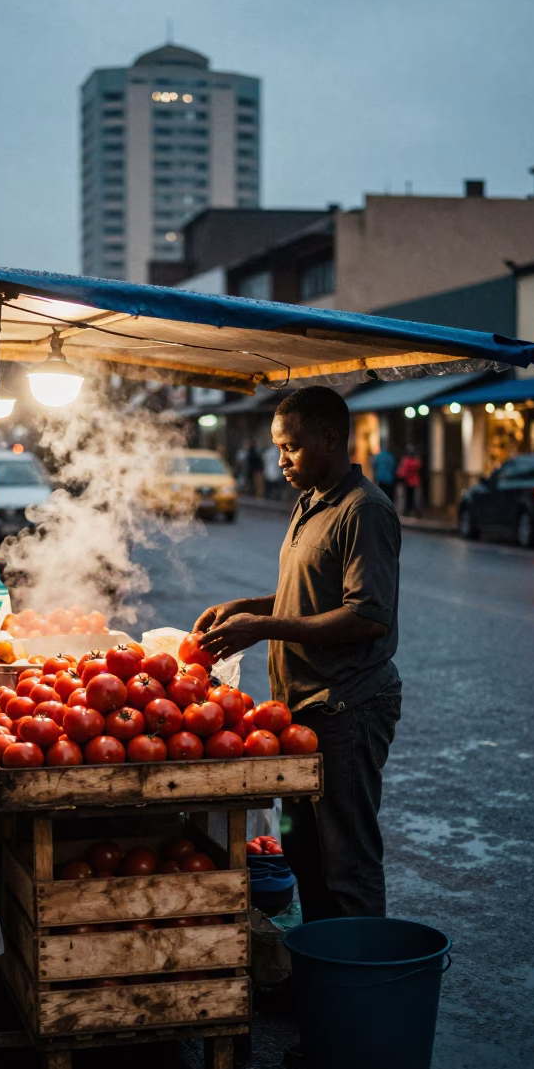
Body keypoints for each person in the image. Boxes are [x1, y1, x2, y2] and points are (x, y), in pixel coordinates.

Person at [194, 385, 401, 922]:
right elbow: (304, 591)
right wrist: (246, 605)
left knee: (346, 858)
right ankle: (320, 969)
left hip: (347, 708)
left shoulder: (365, 512)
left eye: (290, 447)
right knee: (304, 853)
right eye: (277, 447)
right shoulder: (310, 501)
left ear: (330, 440)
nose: (279, 459)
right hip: (301, 711)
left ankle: (358, 987)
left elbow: (366, 616)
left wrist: (263, 626)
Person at [396, 447, 422, 516]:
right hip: (414, 482)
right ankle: (415, 511)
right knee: (414, 497)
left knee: (409, 497)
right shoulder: (415, 461)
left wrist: (401, 477)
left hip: (408, 482)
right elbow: (418, 466)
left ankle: (408, 511)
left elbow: (402, 471)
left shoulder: (406, 461)